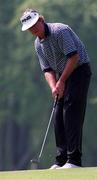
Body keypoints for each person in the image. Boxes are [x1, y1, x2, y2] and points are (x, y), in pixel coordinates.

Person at [20, 8, 92, 169]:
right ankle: (61, 160)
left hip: (79, 70)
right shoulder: (38, 44)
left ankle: (74, 160)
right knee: (58, 116)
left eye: (34, 25)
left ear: (41, 20)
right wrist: (54, 86)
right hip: (63, 74)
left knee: (71, 112)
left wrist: (62, 81)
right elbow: (47, 70)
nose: (33, 30)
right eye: (30, 29)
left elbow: (74, 57)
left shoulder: (60, 31)